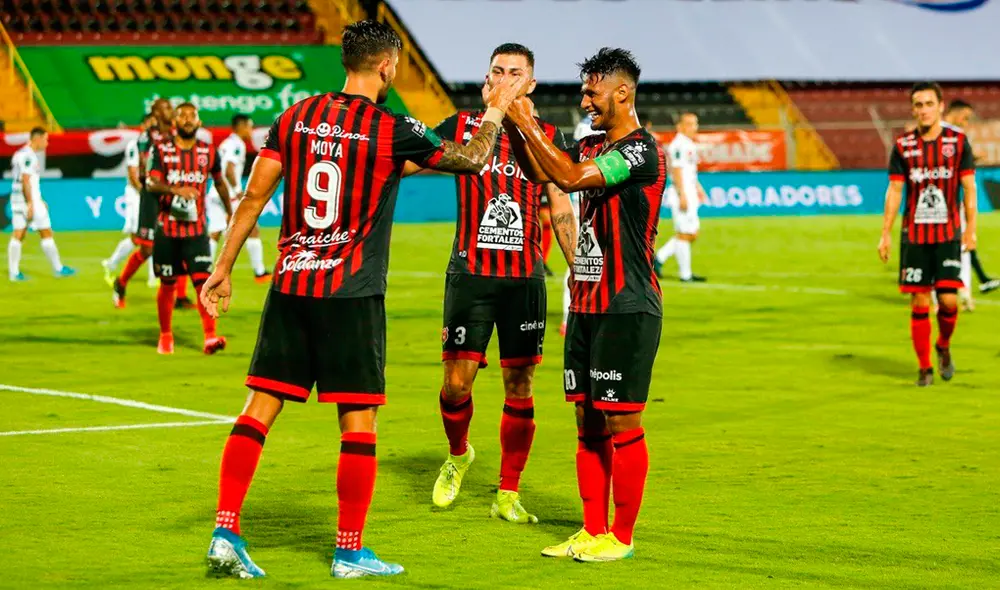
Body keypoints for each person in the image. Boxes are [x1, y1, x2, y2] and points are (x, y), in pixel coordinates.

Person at [198, 20, 526, 579]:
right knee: (359, 420)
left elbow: (254, 195)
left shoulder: (296, 116)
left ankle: (225, 530)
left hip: (292, 284)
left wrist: (222, 269)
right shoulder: (391, 127)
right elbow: (471, 158)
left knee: (260, 408)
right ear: (387, 66)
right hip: (351, 292)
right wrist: (495, 108)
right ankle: (349, 551)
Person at [403, 43, 577, 522]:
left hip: (523, 279)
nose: (504, 79)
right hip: (470, 276)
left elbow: (561, 206)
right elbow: (408, 162)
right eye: (497, 71)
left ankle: (508, 491)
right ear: (485, 80)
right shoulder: (462, 127)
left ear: (531, 84)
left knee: (519, 384)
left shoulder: (548, 135)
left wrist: (579, 272)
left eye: (514, 73)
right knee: (456, 385)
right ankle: (459, 453)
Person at [505, 47, 665, 563]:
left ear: (622, 92)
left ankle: (621, 535)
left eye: (592, 91)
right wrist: (512, 122)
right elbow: (543, 172)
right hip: (587, 303)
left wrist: (524, 121)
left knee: (622, 422)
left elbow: (570, 178)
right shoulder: (592, 141)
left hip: (628, 304)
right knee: (587, 421)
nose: (584, 99)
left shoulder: (642, 151)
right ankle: (591, 528)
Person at [879, 82, 977, 387]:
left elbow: (969, 188)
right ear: (913, 109)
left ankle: (943, 345)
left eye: (928, 104)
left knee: (948, 301)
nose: (923, 110)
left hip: (948, 234)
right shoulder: (903, 146)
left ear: (941, 106)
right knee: (920, 303)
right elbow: (895, 190)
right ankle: (924, 367)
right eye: (918, 105)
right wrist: (885, 233)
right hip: (915, 236)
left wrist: (971, 229)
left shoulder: (958, 143)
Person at [145, 103, 231, 355]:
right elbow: (151, 182)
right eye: (182, 115)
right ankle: (165, 336)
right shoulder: (161, 149)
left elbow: (220, 182)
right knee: (168, 284)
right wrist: (175, 190)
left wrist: (230, 211)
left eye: (192, 115)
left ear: (199, 121)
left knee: (204, 282)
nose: (187, 119)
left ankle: (210, 337)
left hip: (196, 232)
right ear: (175, 122)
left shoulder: (208, 151)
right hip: (168, 231)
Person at [113, 98, 193, 309]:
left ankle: (181, 297)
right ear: (156, 113)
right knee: (147, 250)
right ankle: (120, 283)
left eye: (170, 107)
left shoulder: (179, 134)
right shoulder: (147, 137)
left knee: (183, 243)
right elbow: (142, 169)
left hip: (176, 195)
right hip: (153, 196)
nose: (170, 110)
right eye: (165, 108)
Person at [941, 100, 999, 309]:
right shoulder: (952, 133)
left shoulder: (935, 131)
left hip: (949, 200)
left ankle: (960, 292)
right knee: (960, 246)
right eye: (965, 117)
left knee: (957, 246)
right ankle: (962, 291)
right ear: (955, 113)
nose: (966, 122)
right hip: (950, 200)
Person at [206, 114, 271, 283]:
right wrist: (237, 191)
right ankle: (260, 272)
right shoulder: (236, 144)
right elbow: (228, 169)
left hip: (215, 193)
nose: (251, 130)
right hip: (228, 194)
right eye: (249, 126)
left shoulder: (227, 143)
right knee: (252, 228)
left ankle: (204, 271)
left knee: (214, 232)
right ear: (240, 126)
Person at [7, 127, 75, 281]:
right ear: (36, 139)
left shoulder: (19, 153)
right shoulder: (29, 156)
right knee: (46, 232)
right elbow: (26, 180)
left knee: (18, 234)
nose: (47, 143)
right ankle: (58, 268)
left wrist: (37, 199)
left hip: (17, 199)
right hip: (29, 201)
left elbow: (26, 180)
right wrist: (32, 202)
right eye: (45, 139)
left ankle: (14, 273)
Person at [103, 113, 157, 288]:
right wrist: (146, 195)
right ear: (142, 125)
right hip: (137, 195)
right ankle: (112, 264)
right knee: (139, 236)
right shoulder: (135, 146)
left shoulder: (158, 146)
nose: (153, 127)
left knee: (150, 235)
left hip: (150, 194)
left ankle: (152, 277)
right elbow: (133, 175)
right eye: (150, 123)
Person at [654, 112, 707, 282]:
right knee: (685, 233)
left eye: (695, 123)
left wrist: (698, 188)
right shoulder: (679, 145)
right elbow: (676, 170)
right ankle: (685, 275)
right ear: (680, 126)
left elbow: (689, 171)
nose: (694, 127)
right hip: (681, 192)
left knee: (692, 233)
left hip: (689, 190)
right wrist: (682, 194)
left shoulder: (688, 144)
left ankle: (659, 258)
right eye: (690, 124)